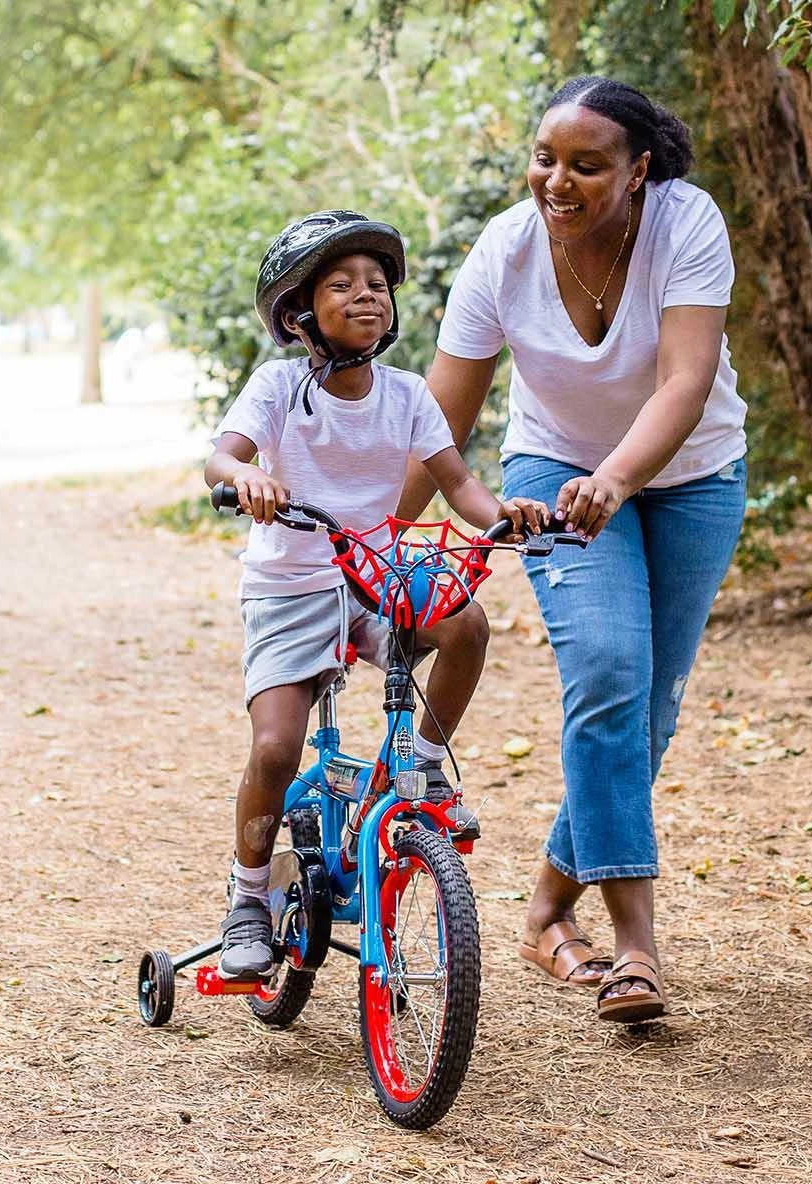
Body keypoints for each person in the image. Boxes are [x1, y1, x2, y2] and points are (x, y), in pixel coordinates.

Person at [398, 78, 748, 1023]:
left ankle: (550, 911)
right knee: (604, 669)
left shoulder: (686, 224)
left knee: (646, 715)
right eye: (546, 158)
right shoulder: (504, 252)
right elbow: (445, 411)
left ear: (637, 172)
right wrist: (377, 539)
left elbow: (686, 380)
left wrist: (621, 479)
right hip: (553, 474)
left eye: (587, 164)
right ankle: (638, 949)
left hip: (693, 476)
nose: (558, 180)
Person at [204, 210, 548, 981]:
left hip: (374, 576)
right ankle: (248, 897)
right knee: (273, 747)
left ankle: (421, 769)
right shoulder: (278, 388)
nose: (368, 296)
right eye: (342, 285)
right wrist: (247, 476)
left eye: (377, 283)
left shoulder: (406, 395)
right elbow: (219, 459)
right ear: (300, 314)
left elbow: (459, 485)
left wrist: (510, 521)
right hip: (291, 585)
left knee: (466, 624)